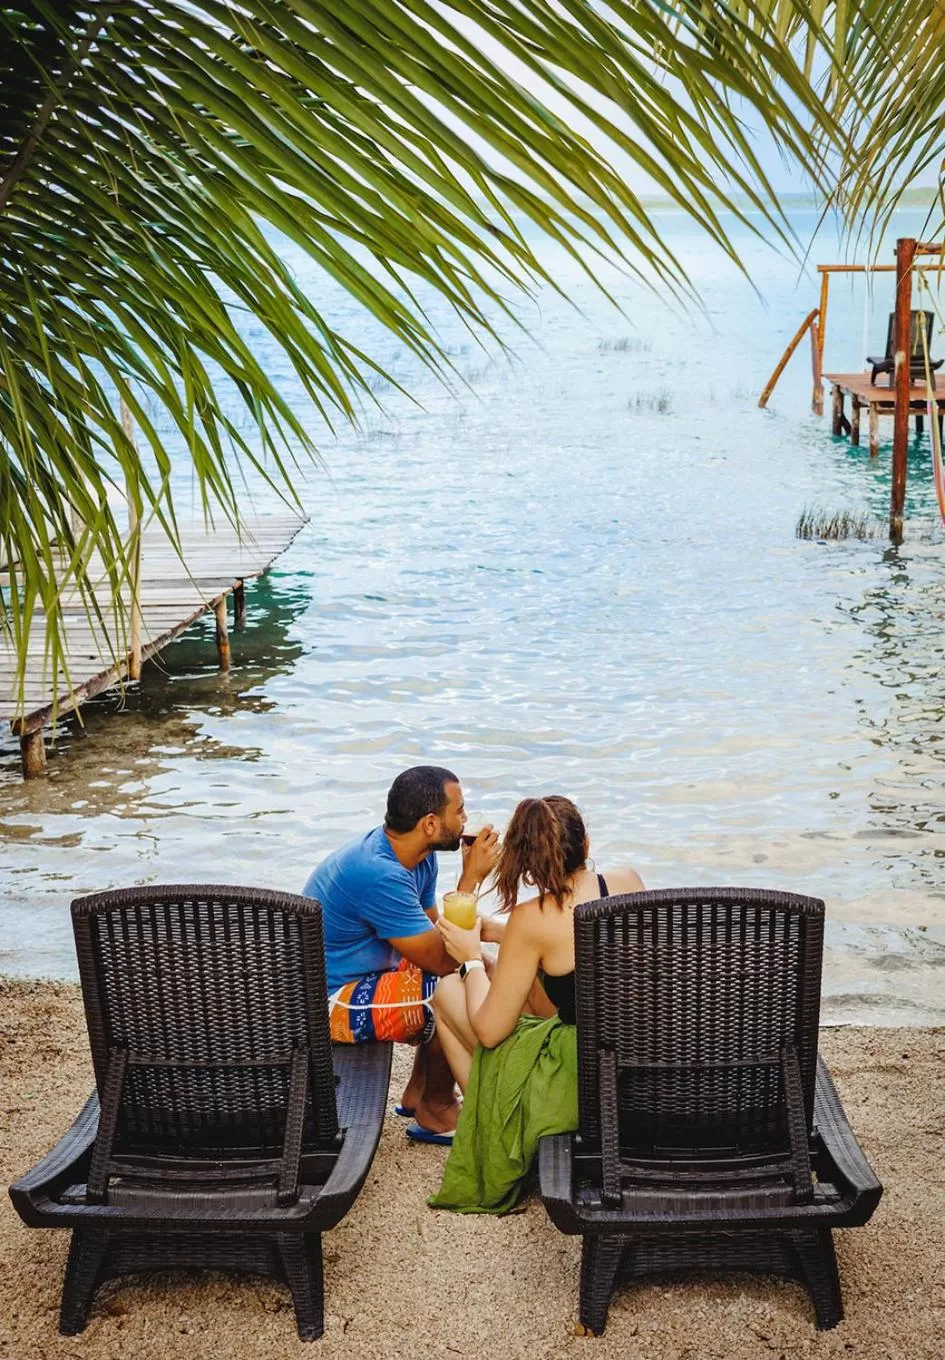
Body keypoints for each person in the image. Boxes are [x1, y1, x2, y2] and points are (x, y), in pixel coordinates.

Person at [428, 794, 644, 1212]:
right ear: (586, 846)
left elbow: (490, 1032)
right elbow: (580, 940)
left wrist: (471, 959)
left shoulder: (533, 919)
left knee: (447, 992)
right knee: (519, 983)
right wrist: (499, 933)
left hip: (584, 1077)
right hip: (638, 1055)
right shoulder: (626, 882)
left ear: (526, 864)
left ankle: (500, 1135)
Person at [302, 766, 499, 1144]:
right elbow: (444, 961)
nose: (466, 819)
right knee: (447, 988)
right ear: (429, 823)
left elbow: (433, 938)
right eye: (458, 811)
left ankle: (418, 1093)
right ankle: (436, 1107)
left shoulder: (418, 857)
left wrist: (484, 959)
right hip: (327, 1000)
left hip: (366, 974)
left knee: (474, 970)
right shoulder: (379, 873)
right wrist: (471, 881)